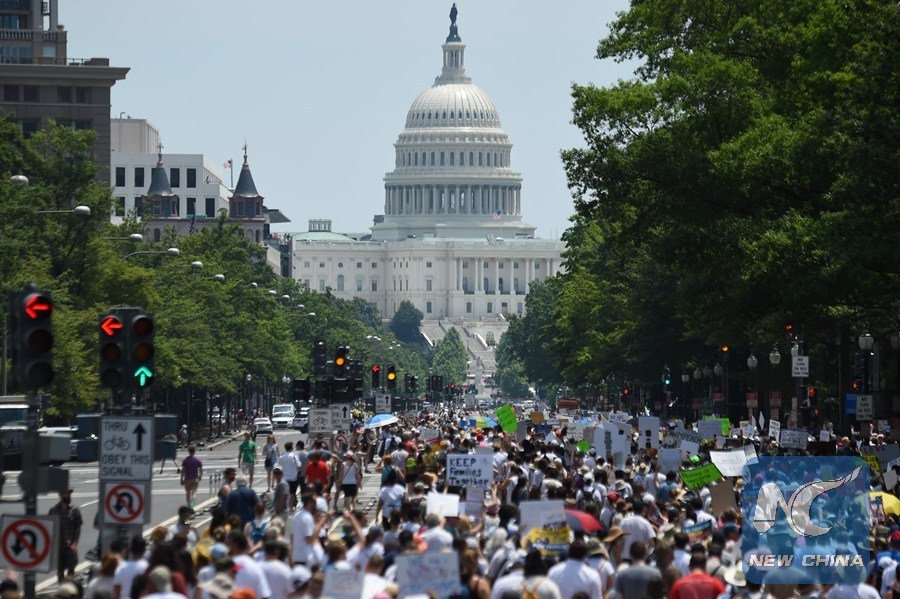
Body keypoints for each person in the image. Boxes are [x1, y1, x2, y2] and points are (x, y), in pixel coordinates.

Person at [49, 488, 83, 583]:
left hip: (70, 545)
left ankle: (69, 587)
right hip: (58, 546)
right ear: (60, 495)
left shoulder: (74, 510)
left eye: (69, 494)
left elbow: (78, 527)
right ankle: (62, 587)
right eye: (66, 494)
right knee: (60, 570)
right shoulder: (54, 510)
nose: (68, 496)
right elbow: (49, 527)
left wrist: (75, 543)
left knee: (71, 569)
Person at [180, 444, 203, 510]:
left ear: (188, 451)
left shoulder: (185, 460)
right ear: (194, 451)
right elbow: (201, 469)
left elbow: (183, 470)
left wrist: (181, 478)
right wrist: (200, 476)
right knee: (194, 491)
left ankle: (189, 505)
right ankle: (192, 504)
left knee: (188, 492)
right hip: (195, 478)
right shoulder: (197, 460)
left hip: (187, 479)